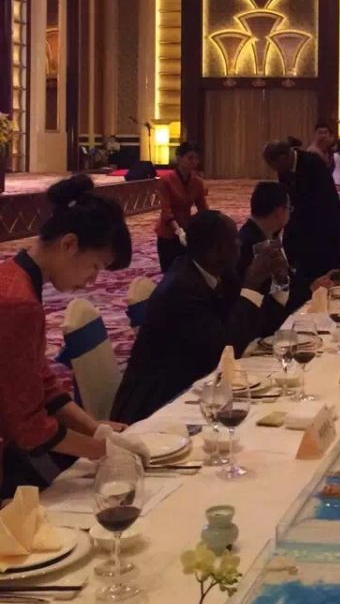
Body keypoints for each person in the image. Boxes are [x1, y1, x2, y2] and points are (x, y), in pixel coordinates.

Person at [0, 175, 133, 497]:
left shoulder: (16, 277)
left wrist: (94, 429)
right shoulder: (18, 302)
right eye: (95, 266)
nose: (92, 280)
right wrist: (104, 452)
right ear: (69, 244)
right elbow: (29, 427)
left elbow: (40, 379)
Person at [112, 211, 286, 423]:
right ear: (215, 250)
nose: (239, 244)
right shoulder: (181, 289)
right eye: (233, 240)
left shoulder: (221, 272)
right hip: (158, 404)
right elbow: (225, 348)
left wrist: (280, 284)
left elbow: (255, 328)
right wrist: (251, 284)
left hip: (201, 383)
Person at [263, 140, 340, 300]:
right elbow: (287, 200)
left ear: (283, 158)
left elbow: (323, 205)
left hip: (326, 232)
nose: (274, 170)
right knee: (305, 285)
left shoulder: (313, 164)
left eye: (273, 165)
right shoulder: (284, 169)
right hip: (303, 233)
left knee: (327, 282)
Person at [155, 140, 208, 272]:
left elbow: (203, 208)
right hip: (167, 233)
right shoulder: (166, 181)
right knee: (169, 274)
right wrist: (178, 230)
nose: (194, 162)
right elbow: (166, 210)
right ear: (179, 158)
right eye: (190, 158)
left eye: (196, 159)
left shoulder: (197, 182)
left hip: (186, 231)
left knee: (187, 272)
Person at [237, 181, 291, 292]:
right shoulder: (254, 245)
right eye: (289, 208)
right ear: (279, 211)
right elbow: (269, 292)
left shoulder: (257, 234)